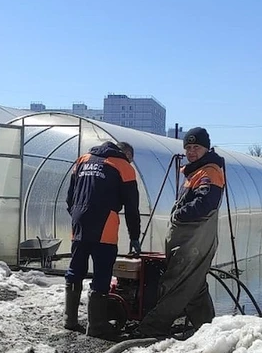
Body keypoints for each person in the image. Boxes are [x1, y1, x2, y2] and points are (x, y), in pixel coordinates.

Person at [137, 127, 225, 338]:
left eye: (197, 147)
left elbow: (207, 203)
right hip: (187, 241)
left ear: (207, 148)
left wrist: (179, 215)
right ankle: (208, 329)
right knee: (195, 288)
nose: (191, 151)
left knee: (175, 283)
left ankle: (152, 327)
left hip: (193, 243)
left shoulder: (209, 172)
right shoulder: (195, 172)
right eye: (188, 147)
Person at [65, 140, 141, 339]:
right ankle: (97, 325)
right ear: (127, 154)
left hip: (79, 224)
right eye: (130, 160)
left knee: (75, 269)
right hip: (104, 225)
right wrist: (134, 236)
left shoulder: (83, 160)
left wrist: (77, 215)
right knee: (102, 273)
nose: (130, 163)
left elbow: (69, 197)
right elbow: (132, 208)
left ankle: (70, 320)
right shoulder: (123, 166)